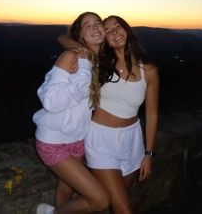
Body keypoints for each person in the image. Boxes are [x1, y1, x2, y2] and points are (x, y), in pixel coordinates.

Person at [60, 15, 159, 214]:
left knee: (119, 201)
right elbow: (62, 38)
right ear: (104, 39)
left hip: (132, 142)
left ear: (127, 29)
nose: (114, 32)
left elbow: (152, 114)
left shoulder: (148, 69)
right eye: (108, 30)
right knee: (124, 209)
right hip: (100, 140)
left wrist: (149, 154)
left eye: (118, 26)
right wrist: (81, 49)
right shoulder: (98, 62)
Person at [32, 12, 110, 214]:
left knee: (66, 193)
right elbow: (51, 101)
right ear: (80, 34)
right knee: (100, 200)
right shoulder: (72, 57)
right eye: (87, 25)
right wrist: (83, 69)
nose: (94, 27)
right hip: (53, 141)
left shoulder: (97, 61)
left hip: (77, 140)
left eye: (98, 23)